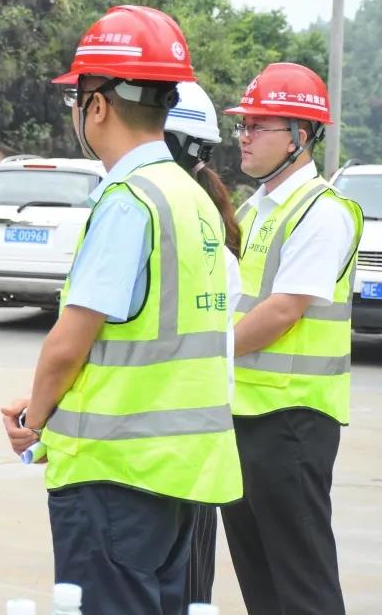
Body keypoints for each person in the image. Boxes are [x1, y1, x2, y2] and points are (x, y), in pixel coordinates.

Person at [0, 6, 242, 615]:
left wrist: (35, 417)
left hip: (116, 472)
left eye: (77, 99)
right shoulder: (191, 197)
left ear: (98, 105)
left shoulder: (128, 200)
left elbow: (70, 341)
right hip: (178, 472)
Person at [220, 63, 362, 615]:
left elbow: (282, 311)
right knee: (260, 578)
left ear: (299, 137)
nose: (245, 136)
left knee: (302, 583)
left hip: (293, 422)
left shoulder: (321, 213)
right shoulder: (255, 209)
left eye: (259, 126)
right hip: (246, 413)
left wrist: (206, 353)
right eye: (243, 125)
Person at [164, 80, 243, 605]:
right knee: (189, 593)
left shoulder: (168, 224)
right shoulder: (205, 223)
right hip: (193, 451)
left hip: (168, 455)